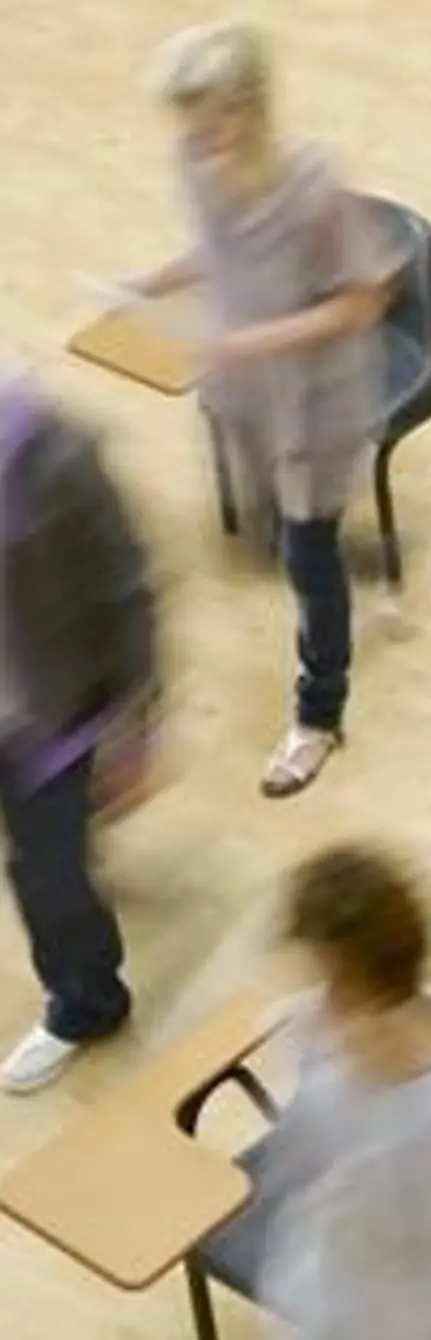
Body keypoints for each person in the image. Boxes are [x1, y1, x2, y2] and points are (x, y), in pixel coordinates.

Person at [129, 21, 397, 798]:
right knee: (284, 534)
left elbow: (362, 301)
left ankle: (319, 715)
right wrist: (154, 283)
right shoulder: (194, 159)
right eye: (189, 126)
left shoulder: (313, 185)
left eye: (212, 123)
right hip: (247, 388)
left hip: (316, 398)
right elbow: (218, 251)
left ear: (251, 108)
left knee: (307, 561)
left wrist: (257, 340)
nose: (198, 141)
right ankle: (343, 558)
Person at [234, 843, 431, 1340]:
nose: (319, 992)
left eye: (327, 974)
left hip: (381, 1301)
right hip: (327, 1265)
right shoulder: (320, 1026)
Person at [0, 371, 159, 1095]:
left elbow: (127, 592)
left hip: (50, 718)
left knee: (49, 876)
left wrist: (137, 728)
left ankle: (89, 1001)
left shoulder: (57, 458)